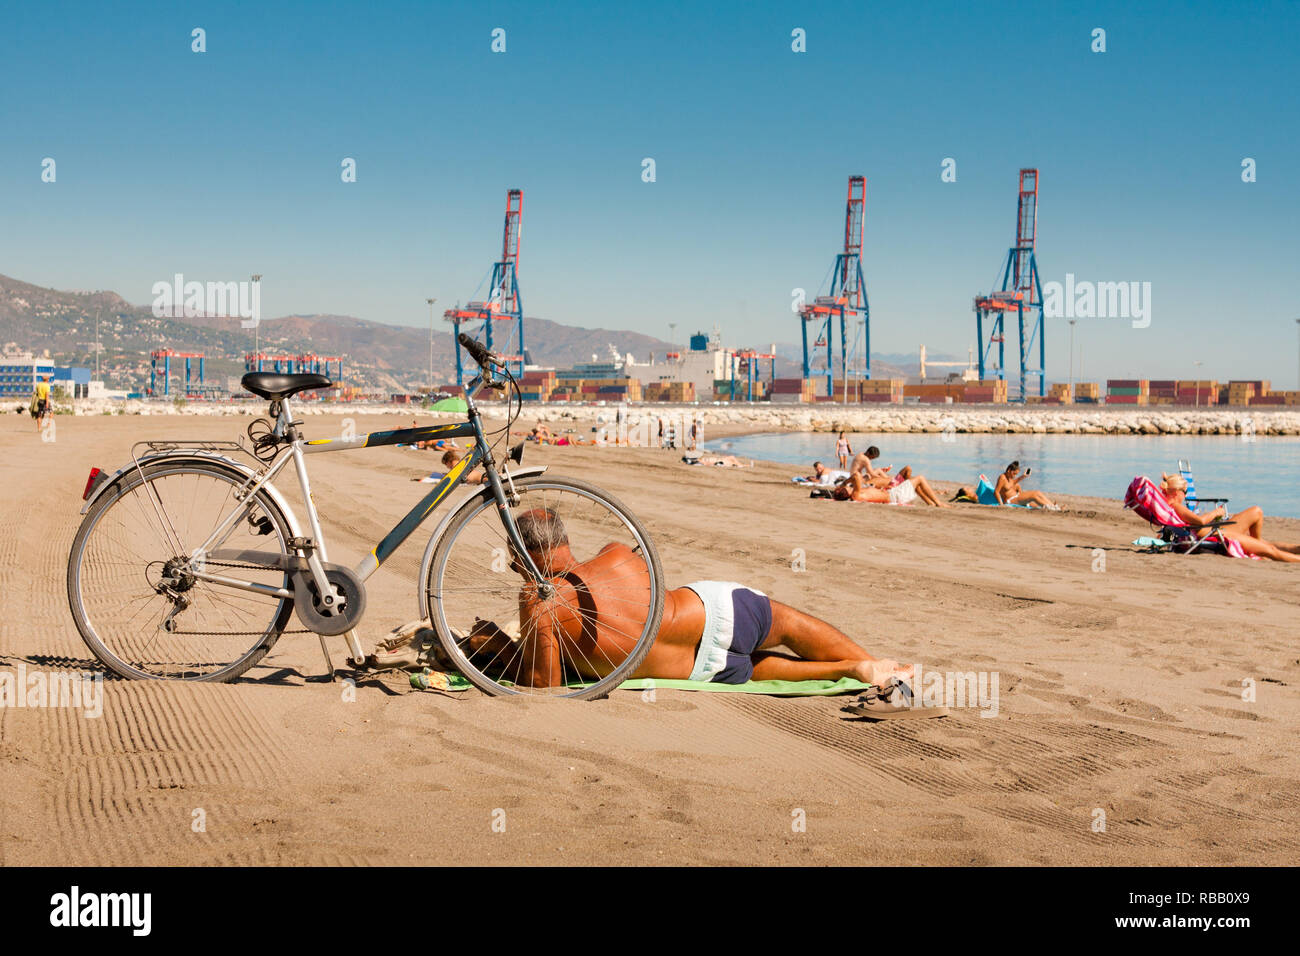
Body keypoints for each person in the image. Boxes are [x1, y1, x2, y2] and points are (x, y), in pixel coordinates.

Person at [416, 508, 915, 688]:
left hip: (698, 670)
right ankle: (881, 669)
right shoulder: (615, 555)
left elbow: (545, 683)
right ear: (565, 540)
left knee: (765, 666)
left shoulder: (538, 604)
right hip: (716, 609)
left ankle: (851, 671)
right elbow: (639, 593)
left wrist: (498, 648)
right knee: (784, 626)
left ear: (520, 555)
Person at [1159, 474, 1300, 563]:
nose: (1185, 495)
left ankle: (1265, 548)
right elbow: (1200, 522)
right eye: (1185, 492)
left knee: (1256, 512)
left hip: (1211, 531)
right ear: (1176, 492)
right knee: (1269, 549)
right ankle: (1260, 550)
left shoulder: (1167, 507)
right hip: (1213, 535)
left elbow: (1192, 523)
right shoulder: (1176, 506)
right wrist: (1216, 512)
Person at [832, 470, 949, 507]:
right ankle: (938, 503)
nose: (848, 487)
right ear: (846, 492)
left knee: (914, 483)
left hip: (891, 493)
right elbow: (857, 475)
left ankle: (930, 503)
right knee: (920, 478)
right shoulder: (856, 495)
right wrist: (845, 482)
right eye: (846, 488)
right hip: (894, 496)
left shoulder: (856, 494)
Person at [994, 461, 1058, 509]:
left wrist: (1024, 476)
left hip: (1016, 496)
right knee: (1034, 496)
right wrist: (1001, 504)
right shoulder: (1002, 478)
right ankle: (1051, 508)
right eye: (1014, 473)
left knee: (1037, 492)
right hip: (1010, 500)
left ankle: (1053, 506)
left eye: (1016, 474)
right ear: (1009, 470)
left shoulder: (1010, 478)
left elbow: (1013, 483)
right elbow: (996, 492)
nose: (1015, 476)